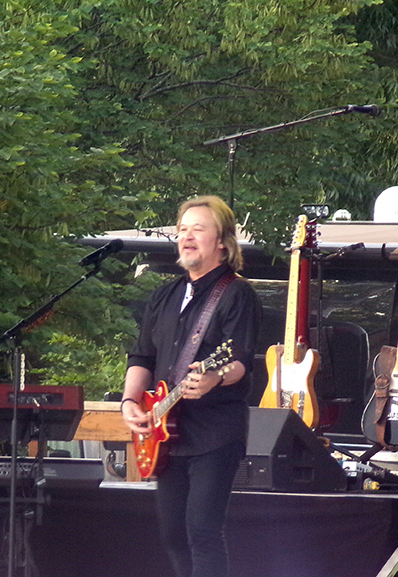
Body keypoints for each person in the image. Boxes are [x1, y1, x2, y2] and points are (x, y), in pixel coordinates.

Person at [122, 195, 261, 577]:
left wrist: (216, 376)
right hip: (166, 432)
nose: (186, 236)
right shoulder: (164, 294)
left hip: (215, 433)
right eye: (182, 229)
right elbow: (142, 357)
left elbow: (239, 361)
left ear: (223, 242)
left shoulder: (236, 293)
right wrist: (130, 403)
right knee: (172, 534)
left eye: (198, 229)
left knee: (202, 530)